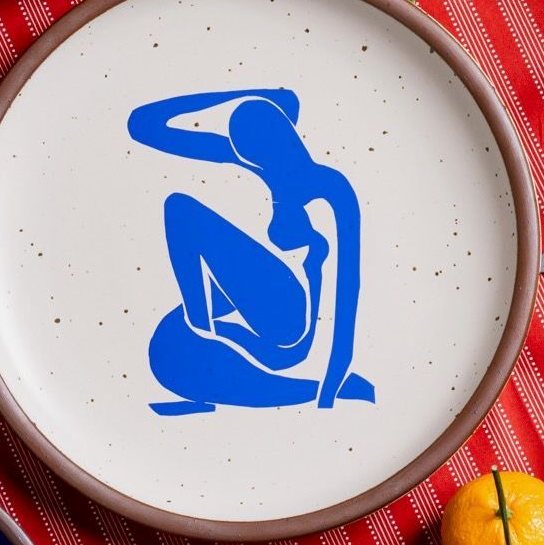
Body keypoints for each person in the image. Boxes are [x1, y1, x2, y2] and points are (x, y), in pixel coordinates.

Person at [126, 88, 374, 415]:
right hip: (267, 313)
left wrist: (331, 381)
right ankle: (206, 342)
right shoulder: (256, 164)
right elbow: (145, 125)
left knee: (181, 210)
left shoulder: (329, 188)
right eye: (247, 154)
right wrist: (256, 93)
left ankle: (204, 328)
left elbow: (347, 287)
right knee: (168, 346)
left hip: (293, 324)